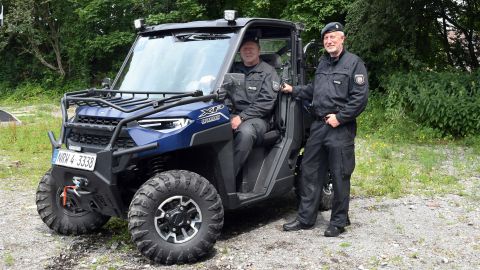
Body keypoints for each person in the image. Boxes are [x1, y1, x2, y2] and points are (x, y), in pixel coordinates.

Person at [281, 22, 369, 237]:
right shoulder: (323, 63)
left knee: (339, 175)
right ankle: (305, 219)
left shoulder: (354, 63)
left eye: (333, 37)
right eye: (326, 38)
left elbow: (360, 98)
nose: (329, 41)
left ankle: (338, 222)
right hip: (319, 126)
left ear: (342, 39)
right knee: (309, 172)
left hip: (340, 128)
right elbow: (314, 90)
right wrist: (294, 90)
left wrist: (340, 117)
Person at [228, 37, 281, 177]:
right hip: (232, 114)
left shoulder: (268, 72)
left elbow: (266, 103)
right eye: (245, 48)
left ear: (259, 51)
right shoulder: (232, 69)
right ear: (239, 51)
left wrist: (242, 117)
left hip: (259, 119)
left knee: (245, 133)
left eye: (251, 47)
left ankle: (228, 181)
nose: (248, 51)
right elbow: (222, 92)